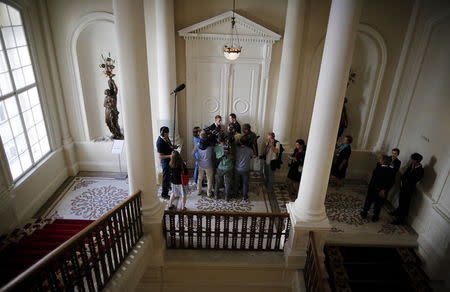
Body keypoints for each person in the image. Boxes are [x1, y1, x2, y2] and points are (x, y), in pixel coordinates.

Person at [391, 153, 424, 225]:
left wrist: (407, 181)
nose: (411, 160)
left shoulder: (420, 170)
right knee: (401, 201)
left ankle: (400, 219)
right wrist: (402, 180)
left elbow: (414, 180)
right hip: (403, 186)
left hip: (409, 189)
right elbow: (406, 173)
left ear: (416, 161)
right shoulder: (412, 165)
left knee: (405, 204)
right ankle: (397, 212)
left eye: (412, 159)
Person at [360, 155, 395, 222]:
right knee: (378, 204)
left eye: (380, 159)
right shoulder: (391, 170)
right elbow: (391, 182)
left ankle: (364, 213)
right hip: (382, 191)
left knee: (369, 201)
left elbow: (374, 180)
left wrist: (370, 188)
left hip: (373, 189)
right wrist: (385, 190)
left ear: (383, 161)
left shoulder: (378, 169)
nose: (379, 160)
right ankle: (375, 217)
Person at [156, 126, 176, 200]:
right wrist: (170, 156)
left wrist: (173, 147)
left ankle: (168, 186)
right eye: (167, 133)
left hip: (169, 159)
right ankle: (164, 194)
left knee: (169, 175)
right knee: (165, 177)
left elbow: (169, 146)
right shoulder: (159, 142)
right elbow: (160, 156)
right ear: (164, 133)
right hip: (165, 161)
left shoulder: (166, 138)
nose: (168, 135)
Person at [214, 134, 234, 200]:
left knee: (217, 182)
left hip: (220, 167)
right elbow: (232, 157)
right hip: (228, 167)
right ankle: (227, 197)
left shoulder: (216, 147)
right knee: (227, 183)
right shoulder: (228, 147)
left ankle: (216, 195)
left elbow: (215, 156)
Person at [234, 137, 254, 201]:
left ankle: (236, 194)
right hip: (246, 169)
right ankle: (244, 196)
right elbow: (252, 156)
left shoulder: (236, 149)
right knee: (245, 183)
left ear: (240, 142)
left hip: (237, 168)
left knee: (236, 182)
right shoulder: (250, 150)